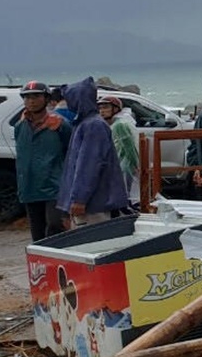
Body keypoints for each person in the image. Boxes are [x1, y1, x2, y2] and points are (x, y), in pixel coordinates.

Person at [55, 77, 128, 227]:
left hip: (94, 204)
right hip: (91, 202)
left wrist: (79, 199)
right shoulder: (84, 123)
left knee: (94, 244)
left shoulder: (93, 125)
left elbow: (89, 165)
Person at [12, 81, 71, 240]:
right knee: (37, 235)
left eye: (36, 96)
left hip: (54, 187)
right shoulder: (20, 126)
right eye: (27, 97)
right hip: (29, 187)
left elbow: (70, 153)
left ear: (46, 99)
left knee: (55, 227)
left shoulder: (60, 125)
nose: (31, 101)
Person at [97, 95, 140, 211]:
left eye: (106, 107)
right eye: (100, 108)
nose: (102, 111)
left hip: (125, 166)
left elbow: (129, 147)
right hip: (120, 165)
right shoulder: (114, 124)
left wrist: (135, 165)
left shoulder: (119, 125)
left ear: (115, 109)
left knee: (127, 198)